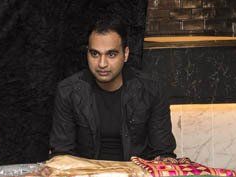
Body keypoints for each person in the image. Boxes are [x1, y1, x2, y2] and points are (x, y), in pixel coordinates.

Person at [49, 16, 176, 161]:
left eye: (111, 54)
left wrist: (165, 163)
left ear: (125, 54)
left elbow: (163, 152)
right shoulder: (68, 91)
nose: (102, 64)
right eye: (95, 54)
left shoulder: (152, 90)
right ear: (87, 53)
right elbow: (61, 153)